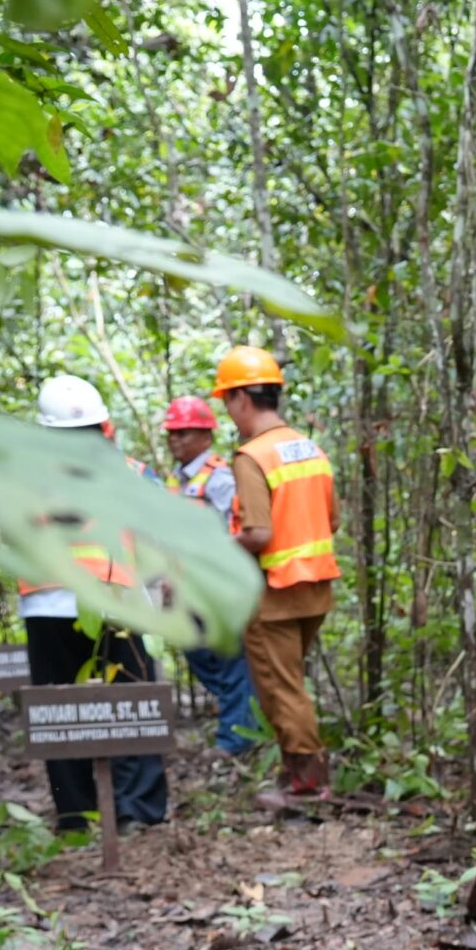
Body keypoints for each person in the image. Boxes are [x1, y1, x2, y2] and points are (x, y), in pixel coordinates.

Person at [20, 375, 169, 832]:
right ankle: (135, 809)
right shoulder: (132, 472)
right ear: (104, 427)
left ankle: (75, 815)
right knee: (131, 704)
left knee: (59, 711)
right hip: (117, 600)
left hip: (46, 604)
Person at [214, 345, 339, 805]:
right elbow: (333, 520)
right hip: (315, 586)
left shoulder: (252, 456)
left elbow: (259, 533)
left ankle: (308, 784)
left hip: (275, 591)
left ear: (241, 398)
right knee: (290, 686)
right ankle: (295, 775)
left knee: (281, 691)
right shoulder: (310, 448)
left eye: (227, 400)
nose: (228, 411)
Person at [161, 395, 261, 756]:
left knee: (230, 662)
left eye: (184, 433)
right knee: (198, 653)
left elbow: (237, 531)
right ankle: (247, 713)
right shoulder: (177, 480)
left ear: (206, 436)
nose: (176, 440)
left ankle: (234, 740)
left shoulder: (219, 479)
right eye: (172, 433)